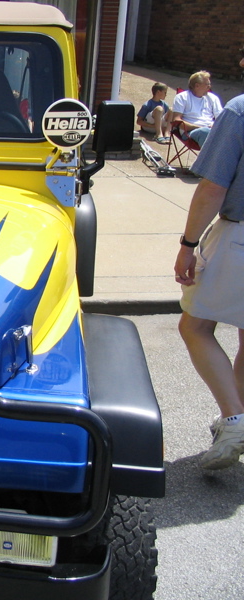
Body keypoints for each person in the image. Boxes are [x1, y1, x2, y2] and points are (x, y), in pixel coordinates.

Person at [174, 92, 244, 470]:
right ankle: (240, 419)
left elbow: (213, 188)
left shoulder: (239, 111)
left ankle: (234, 418)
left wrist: (188, 244)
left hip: (240, 236)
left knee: (195, 326)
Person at [171, 71, 223, 148]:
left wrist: (215, 125)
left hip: (211, 130)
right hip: (189, 132)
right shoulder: (182, 97)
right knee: (205, 132)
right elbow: (177, 121)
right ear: (197, 86)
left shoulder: (213, 98)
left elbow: (221, 118)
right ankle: (210, 159)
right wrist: (199, 127)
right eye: (207, 85)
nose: (209, 87)